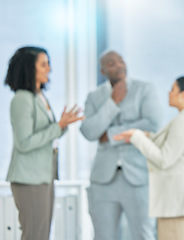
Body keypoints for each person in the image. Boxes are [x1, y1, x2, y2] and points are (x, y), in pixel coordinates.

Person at [113, 76, 184, 240]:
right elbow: (171, 145)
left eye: (173, 89)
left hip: (179, 203)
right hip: (181, 203)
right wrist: (147, 136)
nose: (169, 93)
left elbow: (164, 159)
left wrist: (138, 137)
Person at [4, 46, 83, 240]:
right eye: (43, 64)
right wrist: (58, 126)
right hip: (29, 179)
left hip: (44, 176)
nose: (49, 69)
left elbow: (47, 135)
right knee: (35, 235)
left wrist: (62, 126)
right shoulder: (22, 99)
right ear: (29, 68)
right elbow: (24, 142)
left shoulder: (39, 97)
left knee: (42, 234)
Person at [80, 50, 160, 240]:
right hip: (102, 180)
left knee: (144, 235)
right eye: (111, 63)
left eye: (121, 60)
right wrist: (112, 102)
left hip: (138, 178)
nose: (118, 65)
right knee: (103, 236)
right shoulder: (94, 97)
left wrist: (108, 134)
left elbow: (152, 124)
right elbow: (89, 131)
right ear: (102, 70)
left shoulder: (145, 89)